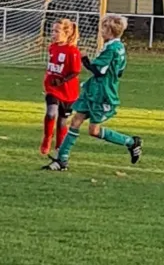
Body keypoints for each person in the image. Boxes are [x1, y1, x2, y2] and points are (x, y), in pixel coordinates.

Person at [43, 15, 142, 171]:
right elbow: (120, 72)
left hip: (103, 94)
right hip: (93, 90)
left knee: (94, 131)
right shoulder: (120, 47)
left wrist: (84, 59)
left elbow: (97, 70)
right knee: (76, 121)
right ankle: (62, 159)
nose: (101, 31)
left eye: (103, 28)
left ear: (109, 30)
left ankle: (131, 142)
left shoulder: (111, 49)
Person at [40, 19, 81, 155]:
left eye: (57, 31)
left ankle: (59, 146)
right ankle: (47, 139)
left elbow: (75, 71)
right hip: (52, 89)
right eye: (52, 31)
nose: (53, 34)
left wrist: (62, 80)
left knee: (62, 121)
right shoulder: (52, 47)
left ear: (67, 33)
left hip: (68, 92)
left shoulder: (72, 51)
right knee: (51, 113)